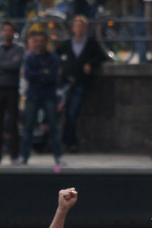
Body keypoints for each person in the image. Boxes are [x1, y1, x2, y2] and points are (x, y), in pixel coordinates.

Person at [57, 15, 109, 153]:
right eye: (76, 26)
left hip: (80, 82)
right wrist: (63, 65)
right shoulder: (67, 43)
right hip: (66, 83)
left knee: (73, 113)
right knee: (64, 113)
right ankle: (66, 141)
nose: (79, 29)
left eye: (81, 26)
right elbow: (56, 55)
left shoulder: (91, 43)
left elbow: (101, 56)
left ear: (85, 28)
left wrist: (90, 64)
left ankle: (70, 142)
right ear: (73, 28)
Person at [20, 31, 64, 167]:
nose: (39, 43)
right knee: (28, 127)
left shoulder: (52, 58)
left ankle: (58, 156)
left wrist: (38, 75)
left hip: (48, 95)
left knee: (54, 127)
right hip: (33, 95)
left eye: (41, 41)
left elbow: (52, 76)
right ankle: (24, 156)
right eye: (36, 41)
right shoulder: (30, 58)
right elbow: (28, 75)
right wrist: (43, 73)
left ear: (46, 42)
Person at [0, 21, 24, 165]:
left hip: (12, 88)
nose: (7, 33)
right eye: (5, 30)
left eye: (9, 30)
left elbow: (16, 65)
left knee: (13, 123)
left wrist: (0, 66)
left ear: (13, 32)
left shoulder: (20, 48)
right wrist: (7, 66)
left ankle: (14, 155)